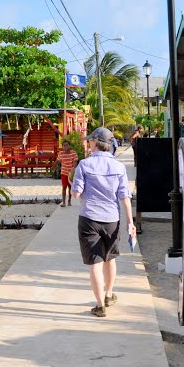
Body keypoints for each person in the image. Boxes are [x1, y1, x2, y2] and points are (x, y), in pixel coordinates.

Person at [72, 127, 135, 317]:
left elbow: (76, 194)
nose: (88, 144)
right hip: (112, 219)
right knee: (110, 259)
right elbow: (124, 196)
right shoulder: (119, 167)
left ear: (94, 143)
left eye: (90, 141)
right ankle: (108, 294)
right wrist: (130, 222)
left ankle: (100, 306)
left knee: (95, 264)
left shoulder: (84, 165)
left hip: (89, 218)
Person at [57, 140, 79, 207]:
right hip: (63, 172)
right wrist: (52, 168)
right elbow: (58, 161)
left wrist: (73, 168)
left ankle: (69, 201)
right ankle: (63, 202)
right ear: (62, 147)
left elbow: (75, 161)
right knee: (64, 187)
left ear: (69, 145)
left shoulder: (73, 153)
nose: (65, 146)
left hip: (71, 173)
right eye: (64, 145)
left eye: (67, 145)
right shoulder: (61, 153)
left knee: (70, 188)